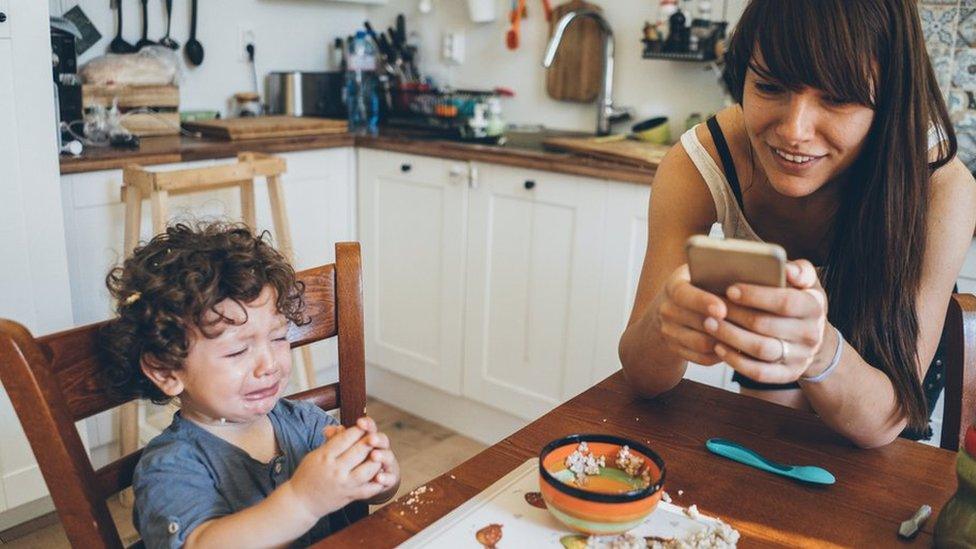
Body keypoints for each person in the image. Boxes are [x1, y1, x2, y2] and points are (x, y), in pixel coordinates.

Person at [618, 0, 976, 448]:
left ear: (887, 100)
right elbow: (643, 377)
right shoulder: (703, 163)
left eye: (839, 97)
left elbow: (882, 422)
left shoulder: (940, 188)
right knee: (766, 440)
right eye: (769, 86)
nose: (794, 130)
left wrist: (819, 349)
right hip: (774, 371)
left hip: (882, 398)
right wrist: (666, 323)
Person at [99, 222, 400, 547]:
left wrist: (377, 472)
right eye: (238, 350)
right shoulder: (171, 466)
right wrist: (303, 500)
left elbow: (371, 489)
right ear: (166, 371)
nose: (269, 365)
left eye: (278, 337)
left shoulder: (304, 422)